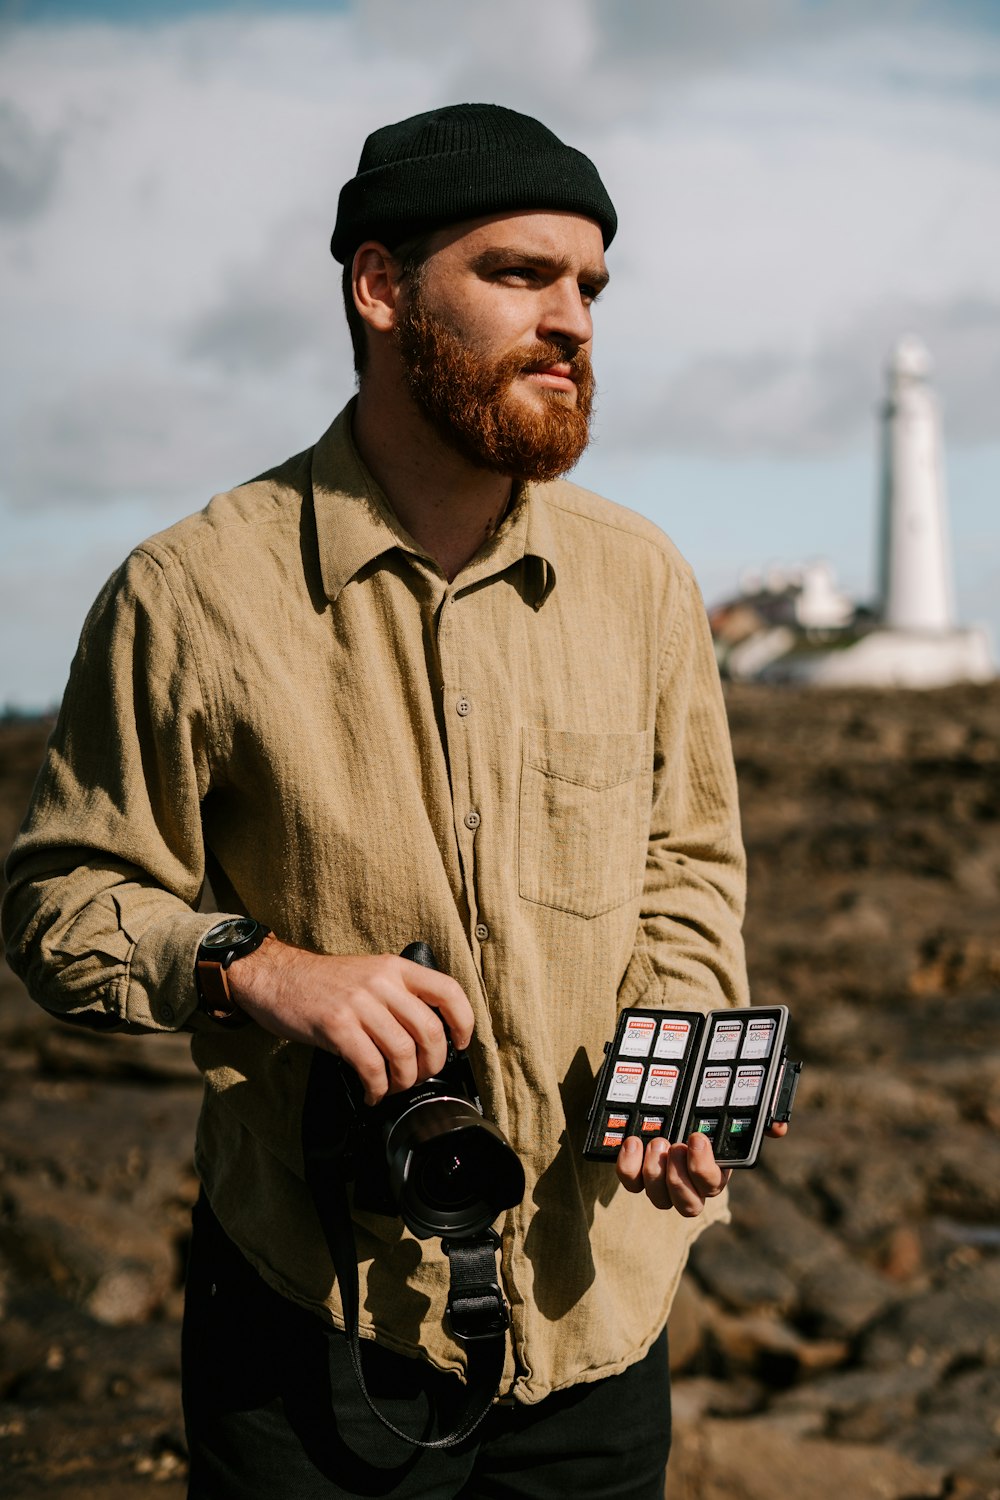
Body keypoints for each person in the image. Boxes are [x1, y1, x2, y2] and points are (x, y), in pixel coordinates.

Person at [3, 103, 773, 1498]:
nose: (573, 321)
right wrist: (255, 968)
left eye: (590, 286)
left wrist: (675, 1045)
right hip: (315, 1326)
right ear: (379, 287)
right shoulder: (189, 595)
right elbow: (59, 902)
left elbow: (687, 867)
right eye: (520, 274)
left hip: (598, 1317)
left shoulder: (644, 583)